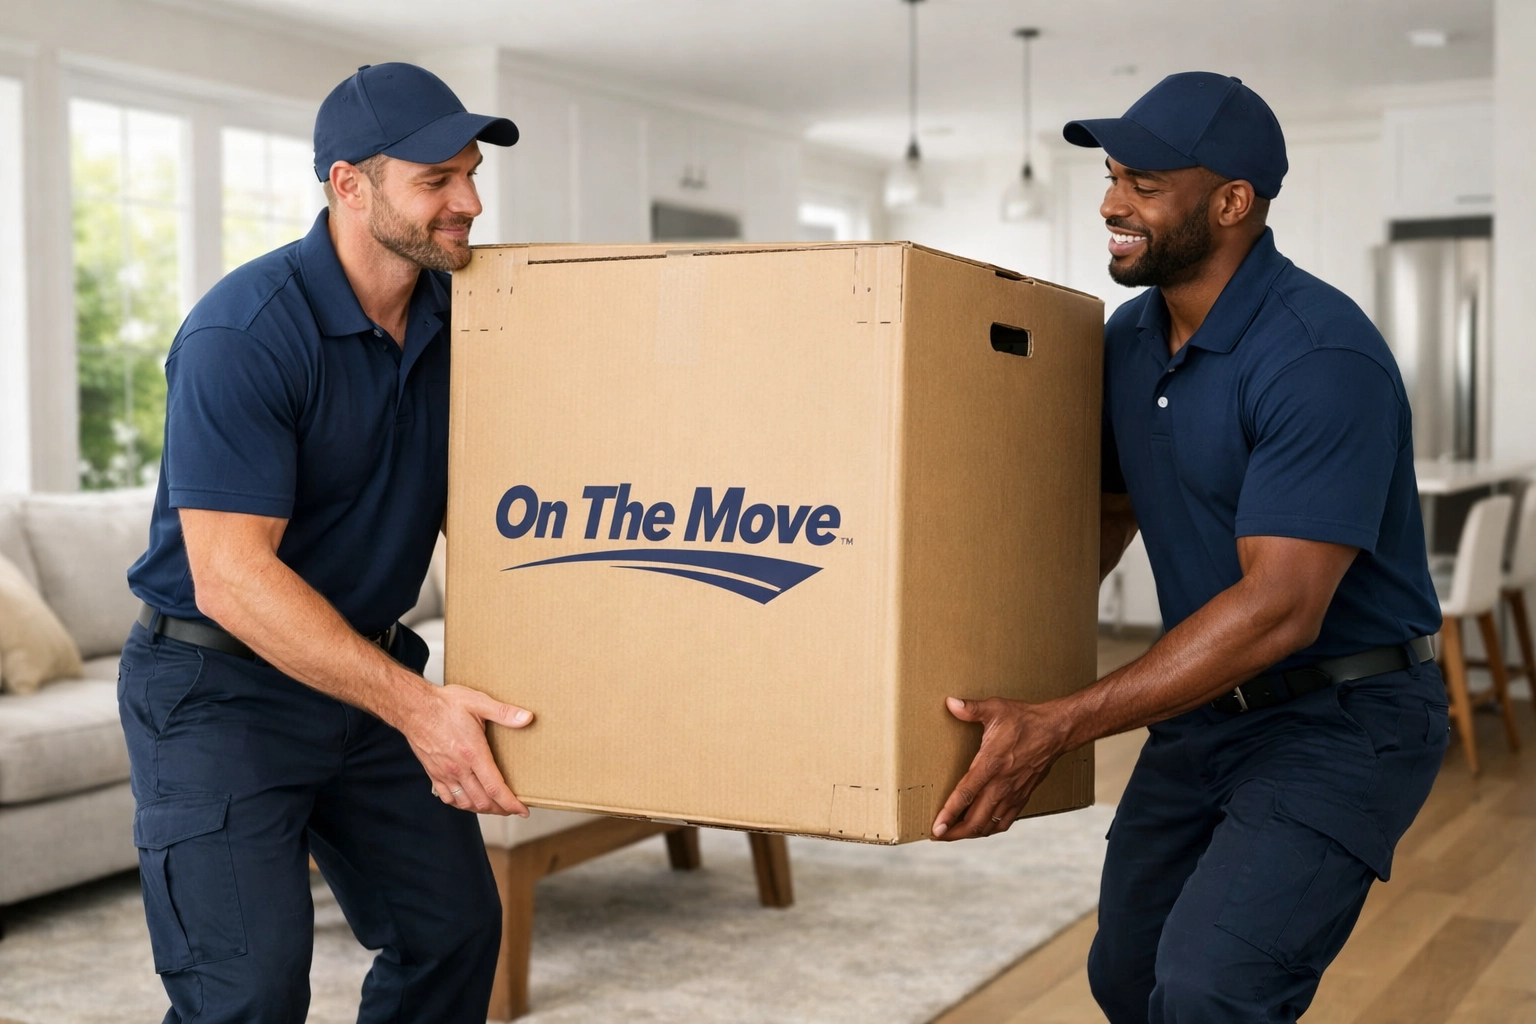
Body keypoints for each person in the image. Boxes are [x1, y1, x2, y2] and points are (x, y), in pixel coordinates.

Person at [931, 72, 1447, 1022]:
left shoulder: (1318, 356)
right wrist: (960, 645)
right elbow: (1107, 513)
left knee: (1214, 991)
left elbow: (1282, 609)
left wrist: (1063, 721)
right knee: (1127, 979)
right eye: (1113, 175)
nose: (1111, 203)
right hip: (1208, 709)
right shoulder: (1130, 340)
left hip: (1343, 717)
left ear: (1232, 202)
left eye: (1144, 183)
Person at [120, 63, 530, 1023]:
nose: (468, 202)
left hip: (366, 676)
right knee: (249, 994)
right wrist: (422, 712)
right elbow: (229, 578)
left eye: (471, 175)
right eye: (437, 180)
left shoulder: (465, 323)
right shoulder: (245, 333)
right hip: (219, 693)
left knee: (454, 933)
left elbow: (509, 510)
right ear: (350, 184)